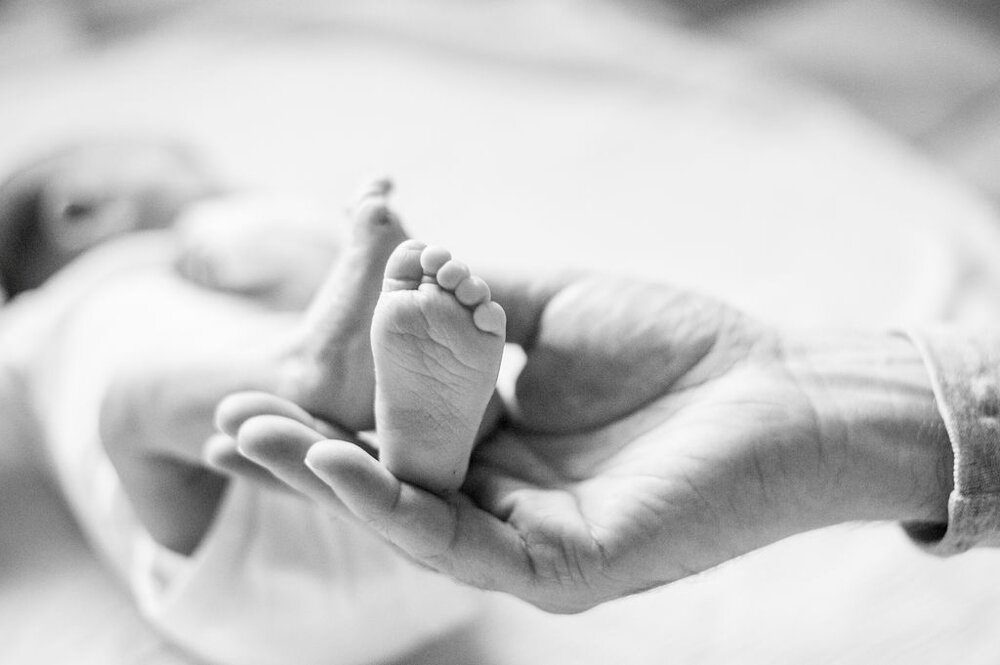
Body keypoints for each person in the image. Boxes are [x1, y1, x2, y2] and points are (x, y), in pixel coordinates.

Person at [215, 230, 966, 614]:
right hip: (399, 562)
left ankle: (396, 419)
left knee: (172, 407)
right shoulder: (138, 270)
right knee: (236, 400)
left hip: (298, 526)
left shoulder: (180, 258)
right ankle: (416, 425)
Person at [0, 144, 500, 664]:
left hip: (302, 593)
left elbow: (309, 279)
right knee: (131, 403)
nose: (226, 186)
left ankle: (411, 439)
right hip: (288, 538)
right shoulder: (40, 322)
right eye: (195, 170)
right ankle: (378, 404)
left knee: (132, 410)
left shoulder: (206, 251)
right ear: (81, 208)